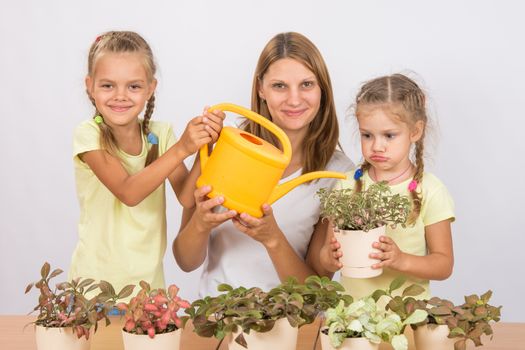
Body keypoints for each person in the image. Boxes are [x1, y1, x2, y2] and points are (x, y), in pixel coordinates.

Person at [172, 32, 354, 296]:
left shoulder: (338, 174)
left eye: (306, 84)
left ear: (322, 89)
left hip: (290, 327)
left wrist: (272, 238)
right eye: (280, 85)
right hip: (215, 320)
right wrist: (200, 223)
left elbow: (316, 292)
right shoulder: (226, 145)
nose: (294, 99)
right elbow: (185, 261)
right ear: (261, 89)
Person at [69, 31, 223, 295]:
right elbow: (129, 192)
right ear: (90, 85)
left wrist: (203, 146)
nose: (120, 95)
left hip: (148, 288)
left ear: (150, 88)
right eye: (108, 85)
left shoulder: (160, 135)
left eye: (134, 86)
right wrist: (182, 147)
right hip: (95, 290)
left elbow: (187, 197)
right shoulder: (89, 134)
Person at [320, 73, 455, 300]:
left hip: (406, 319)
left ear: (415, 131)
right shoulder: (345, 185)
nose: (377, 146)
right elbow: (326, 255)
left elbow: (443, 265)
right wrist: (330, 257)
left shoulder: (430, 190)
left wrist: (402, 259)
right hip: (351, 317)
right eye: (367, 135)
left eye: (389, 135)